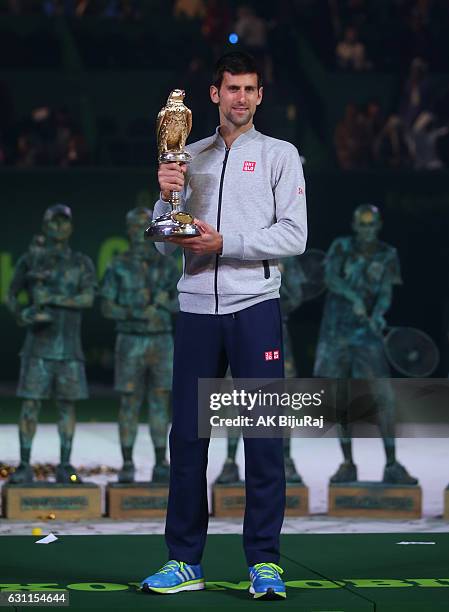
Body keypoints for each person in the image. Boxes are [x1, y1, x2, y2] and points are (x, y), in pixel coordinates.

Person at [140, 51, 307, 601]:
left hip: (255, 307)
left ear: (260, 96)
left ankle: (265, 563)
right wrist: (164, 196)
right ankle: (184, 560)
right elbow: (163, 237)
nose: (240, 97)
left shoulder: (280, 155)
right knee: (187, 438)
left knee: (262, 441)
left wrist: (225, 244)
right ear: (214, 95)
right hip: (195, 311)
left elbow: (293, 236)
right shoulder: (186, 155)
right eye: (231, 88)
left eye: (250, 89)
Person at [313, 204, 417, 485]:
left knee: (384, 397)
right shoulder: (341, 247)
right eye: (362, 225)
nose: (367, 231)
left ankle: (392, 463)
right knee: (341, 399)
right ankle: (347, 464)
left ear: (379, 225)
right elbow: (331, 278)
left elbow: (385, 291)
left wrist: (379, 313)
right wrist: (354, 298)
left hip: (366, 337)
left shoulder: (387, 255)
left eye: (372, 225)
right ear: (355, 225)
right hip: (336, 335)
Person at [6, 204, 96, 484]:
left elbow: (87, 299)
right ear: (45, 226)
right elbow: (11, 293)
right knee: (30, 405)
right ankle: (23, 465)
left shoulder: (81, 263)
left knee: (67, 407)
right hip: (38, 348)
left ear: (71, 227)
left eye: (63, 223)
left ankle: (65, 464)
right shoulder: (31, 259)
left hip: (69, 349)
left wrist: (54, 299)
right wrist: (21, 313)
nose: (59, 228)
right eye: (53, 223)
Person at [101, 207, 178, 483]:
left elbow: (182, 299)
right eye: (133, 227)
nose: (138, 232)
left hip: (160, 339)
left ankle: (160, 462)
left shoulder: (167, 264)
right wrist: (133, 313)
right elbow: (106, 306)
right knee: (129, 402)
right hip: (130, 339)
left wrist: (163, 306)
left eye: (143, 226)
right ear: (127, 230)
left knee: (160, 402)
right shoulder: (118, 264)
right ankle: (128, 463)